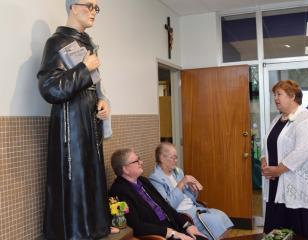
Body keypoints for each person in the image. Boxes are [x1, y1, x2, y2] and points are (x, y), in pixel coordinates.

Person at [37, 0, 111, 239]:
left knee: (92, 174)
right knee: (75, 177)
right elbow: (50, 89)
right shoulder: (56, 43)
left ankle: (94, 228)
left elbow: (94, 86)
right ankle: (76, 232)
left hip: (89, 122)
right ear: (72, 6)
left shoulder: (88, 45)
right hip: (71, 124)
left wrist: (103, 102)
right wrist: (83, 68)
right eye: (89, 5)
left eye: (96, 8)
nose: (93, 12)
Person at [261, 80, 308, 239]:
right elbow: (267, 144)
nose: (275, 98)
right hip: (277, 182)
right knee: (279, 231)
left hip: (303, 185)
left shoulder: (306, 118)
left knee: (304, 232)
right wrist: (265, 164)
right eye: (274, 94)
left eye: (279, 94)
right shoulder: (277, 119)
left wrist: (278, 169)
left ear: (292, 96)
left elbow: (303, 150)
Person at [109, 148, 208, 240]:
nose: (141, 162)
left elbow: (165, 205)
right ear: (125, 169)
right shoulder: (118, 192)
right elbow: (136, 226)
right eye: (136, 161)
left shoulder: (143, 181)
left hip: (172, 227)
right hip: (159, 235)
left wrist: (187, 225)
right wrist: (172, 233)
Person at [149, 142, 233, 240]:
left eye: (176, 157)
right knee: (214, 220)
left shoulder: (177, 172)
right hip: (181, 215)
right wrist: (181, 183)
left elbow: (190, 198)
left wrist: (193, 188)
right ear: (162, 158)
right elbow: (167, 206)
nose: (176, 161)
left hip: (193, 207)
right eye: (173, 157)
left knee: (221, 215)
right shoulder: (155, 178)